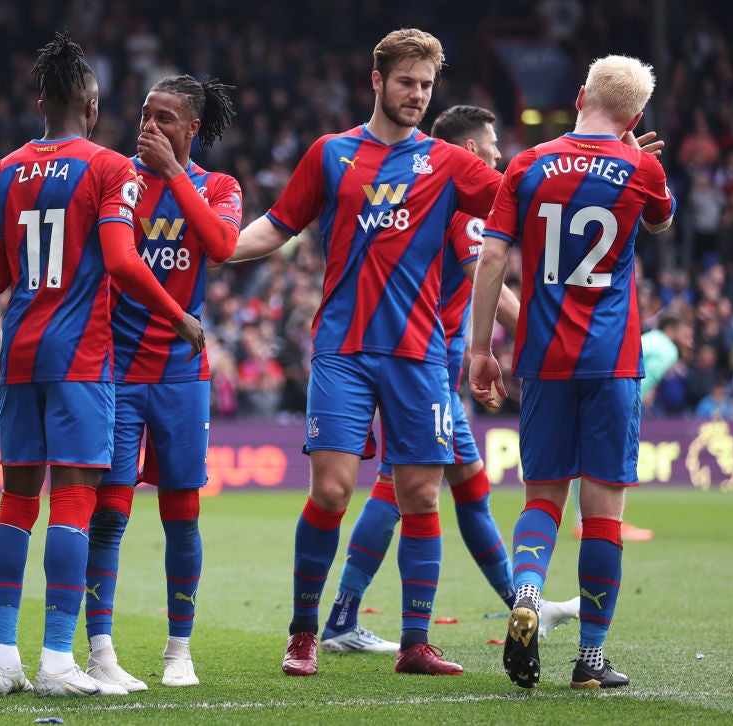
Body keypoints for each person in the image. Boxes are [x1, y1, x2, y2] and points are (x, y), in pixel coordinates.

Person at [230, 28, 503, 677]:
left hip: (417, 354)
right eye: (407, 82)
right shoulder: (331, 154)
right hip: (343, 350)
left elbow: (517, 196)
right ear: (376, 81)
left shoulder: (448, 162)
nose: (417, 94)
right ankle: (303, 632)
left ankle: (414, 643)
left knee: (420, 497)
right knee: (329, 491)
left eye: (427, 85)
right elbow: (277, 224)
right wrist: (222, 246)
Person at [0, 32, 204, 699]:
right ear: (92, 101)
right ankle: (55, 660)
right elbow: (121, 260)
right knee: (74, 501)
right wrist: (179, 316)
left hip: (19, 350)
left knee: (16, 501)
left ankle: (1, 658)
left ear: (40, 97)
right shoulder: (110, 169)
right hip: (80, 356)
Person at [319, 105, 578, 657]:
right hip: (421, 367)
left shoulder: (440, 193)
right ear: (466, 151)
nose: (498, 156)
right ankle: (349, 617)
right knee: (407, 486)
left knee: (465, 489)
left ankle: (522, 604)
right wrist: (551, 346)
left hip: (428, 363)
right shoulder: (460, 206)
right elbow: (487, 279)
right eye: (490, 147)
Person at [469, 55, 675, 690]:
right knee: (604, 510)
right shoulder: (643, 165)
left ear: (580, 94)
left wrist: (482, 349)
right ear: (635, 117)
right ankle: (589, 660)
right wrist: (629, 158)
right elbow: (661, 221)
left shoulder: (527, 165)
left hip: (544, 358)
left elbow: (494, 255)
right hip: (612, 362)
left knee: (542, 498)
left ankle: (526, 593)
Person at [83, 74, 240, 692]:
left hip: (181, 375)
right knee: (108, 516)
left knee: (183, 515)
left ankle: (179, 651)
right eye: (146, 115)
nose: (149, 126)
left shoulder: (216, 187)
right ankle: (101, 650)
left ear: (193, 128)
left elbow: (224, 245)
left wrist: (175, 173)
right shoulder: (116, 180)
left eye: (166, 118)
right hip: (116, 370)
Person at [572, 312, 694, 540]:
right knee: (614, 460)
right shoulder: (668, 349)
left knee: (585, 457)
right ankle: (611, 521)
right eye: (686, 334)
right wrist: (629, 409)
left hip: (593, 387)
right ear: (671, 331)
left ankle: (582, 521)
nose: (689, 340)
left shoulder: (651, 339)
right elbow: (645, 381)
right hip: (614, 400)